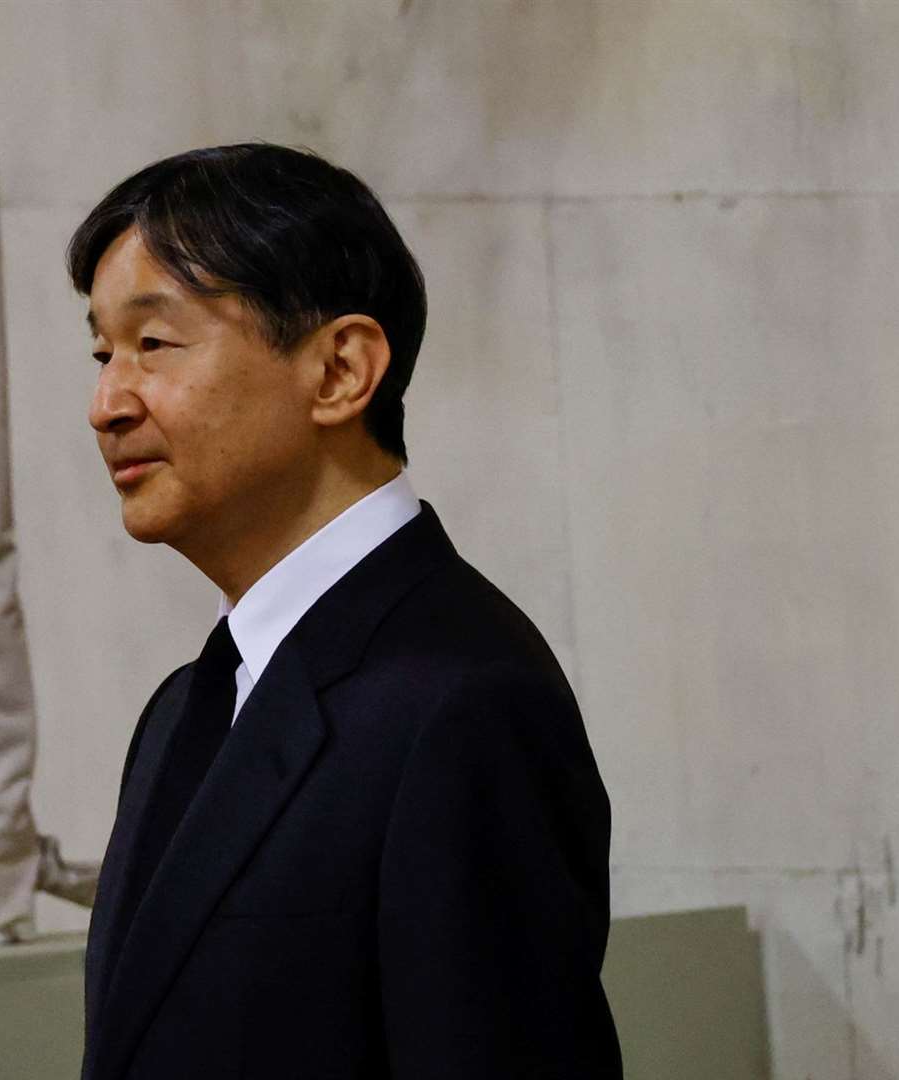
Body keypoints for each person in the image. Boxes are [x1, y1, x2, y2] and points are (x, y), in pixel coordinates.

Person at [70, 142, 621, 1079]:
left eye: (153, 345)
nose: (105, 403)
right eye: (100, 351)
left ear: (339, 371)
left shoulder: (461, 703)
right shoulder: (184, 708)